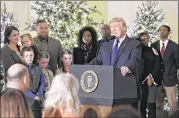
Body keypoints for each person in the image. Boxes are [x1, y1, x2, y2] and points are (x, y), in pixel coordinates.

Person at [89, 17, 142, 109]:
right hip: (106, 90)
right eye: (111, 27)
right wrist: (84, 68)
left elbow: (134, 60)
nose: (113, 29)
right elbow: (97, 61)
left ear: (124, 28)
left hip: (126, 90)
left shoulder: (134, 44)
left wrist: (127, 67)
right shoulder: (105, 44)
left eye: (116, 26)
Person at [151, 25, 179, 116]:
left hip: (170, 79)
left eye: (164, 30)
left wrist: (172, 72)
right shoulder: (153, 45)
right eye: (160, 30)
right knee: (158, 104)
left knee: (172, 104)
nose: (162, 31)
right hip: (157, 79)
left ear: (168, 32)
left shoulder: (175, 46)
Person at [137, 32, 161, 118]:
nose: (145, 41)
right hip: (140, 80)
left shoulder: (154, 50)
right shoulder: (136, 51)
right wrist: (144, 78)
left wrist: (151, 76)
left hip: (152, 80)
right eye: (143, 39)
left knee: (151, 105)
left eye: (147, 39)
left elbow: (157, 65)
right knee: (141, 105)